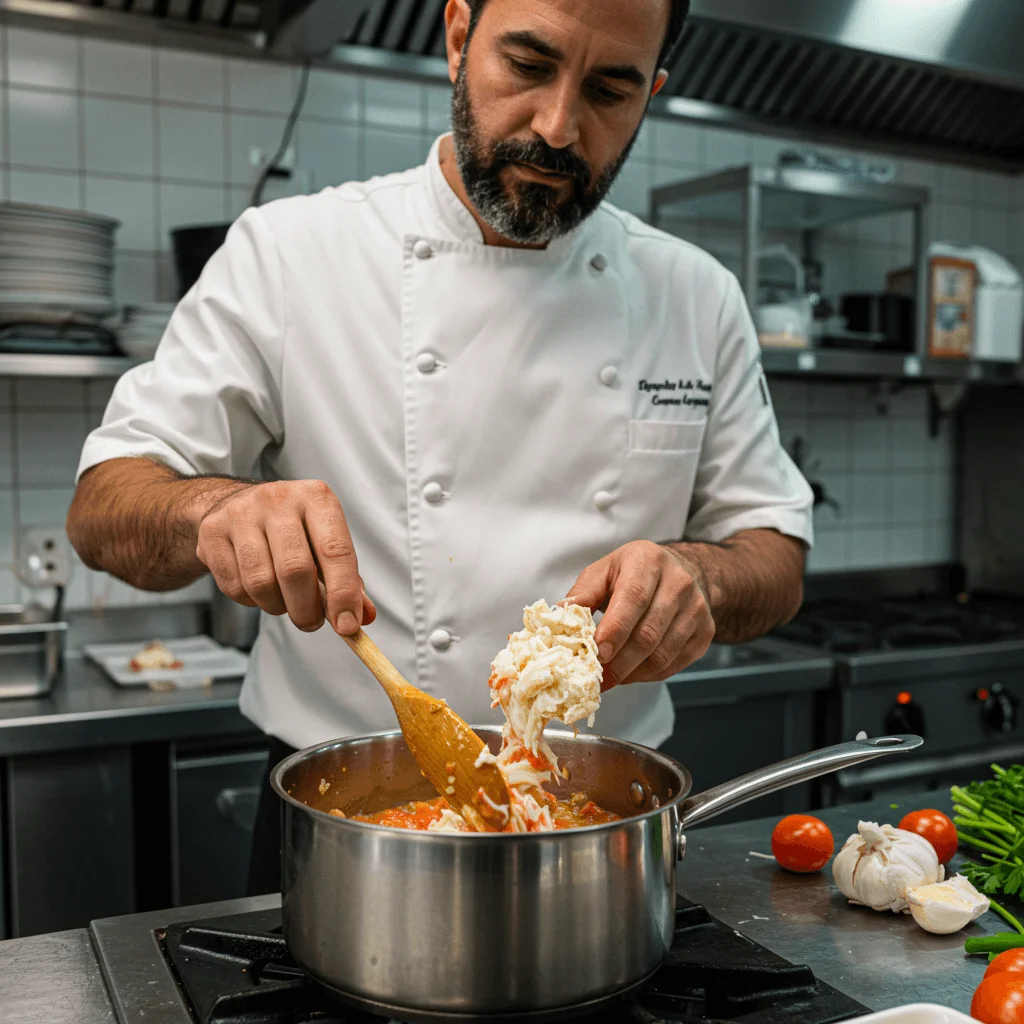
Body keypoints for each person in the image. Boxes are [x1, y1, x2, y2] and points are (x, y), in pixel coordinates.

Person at [67, 0, 812, 894]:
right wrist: (213, 510)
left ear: (652, 92)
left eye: (610, 90)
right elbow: (103, 507)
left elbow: (773, 554)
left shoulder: (697, 294)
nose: (557, 126)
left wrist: (703, 576)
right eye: (527, 65)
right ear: (458, 35)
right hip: (342, 824)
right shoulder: (292, 253)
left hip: (598, 826)